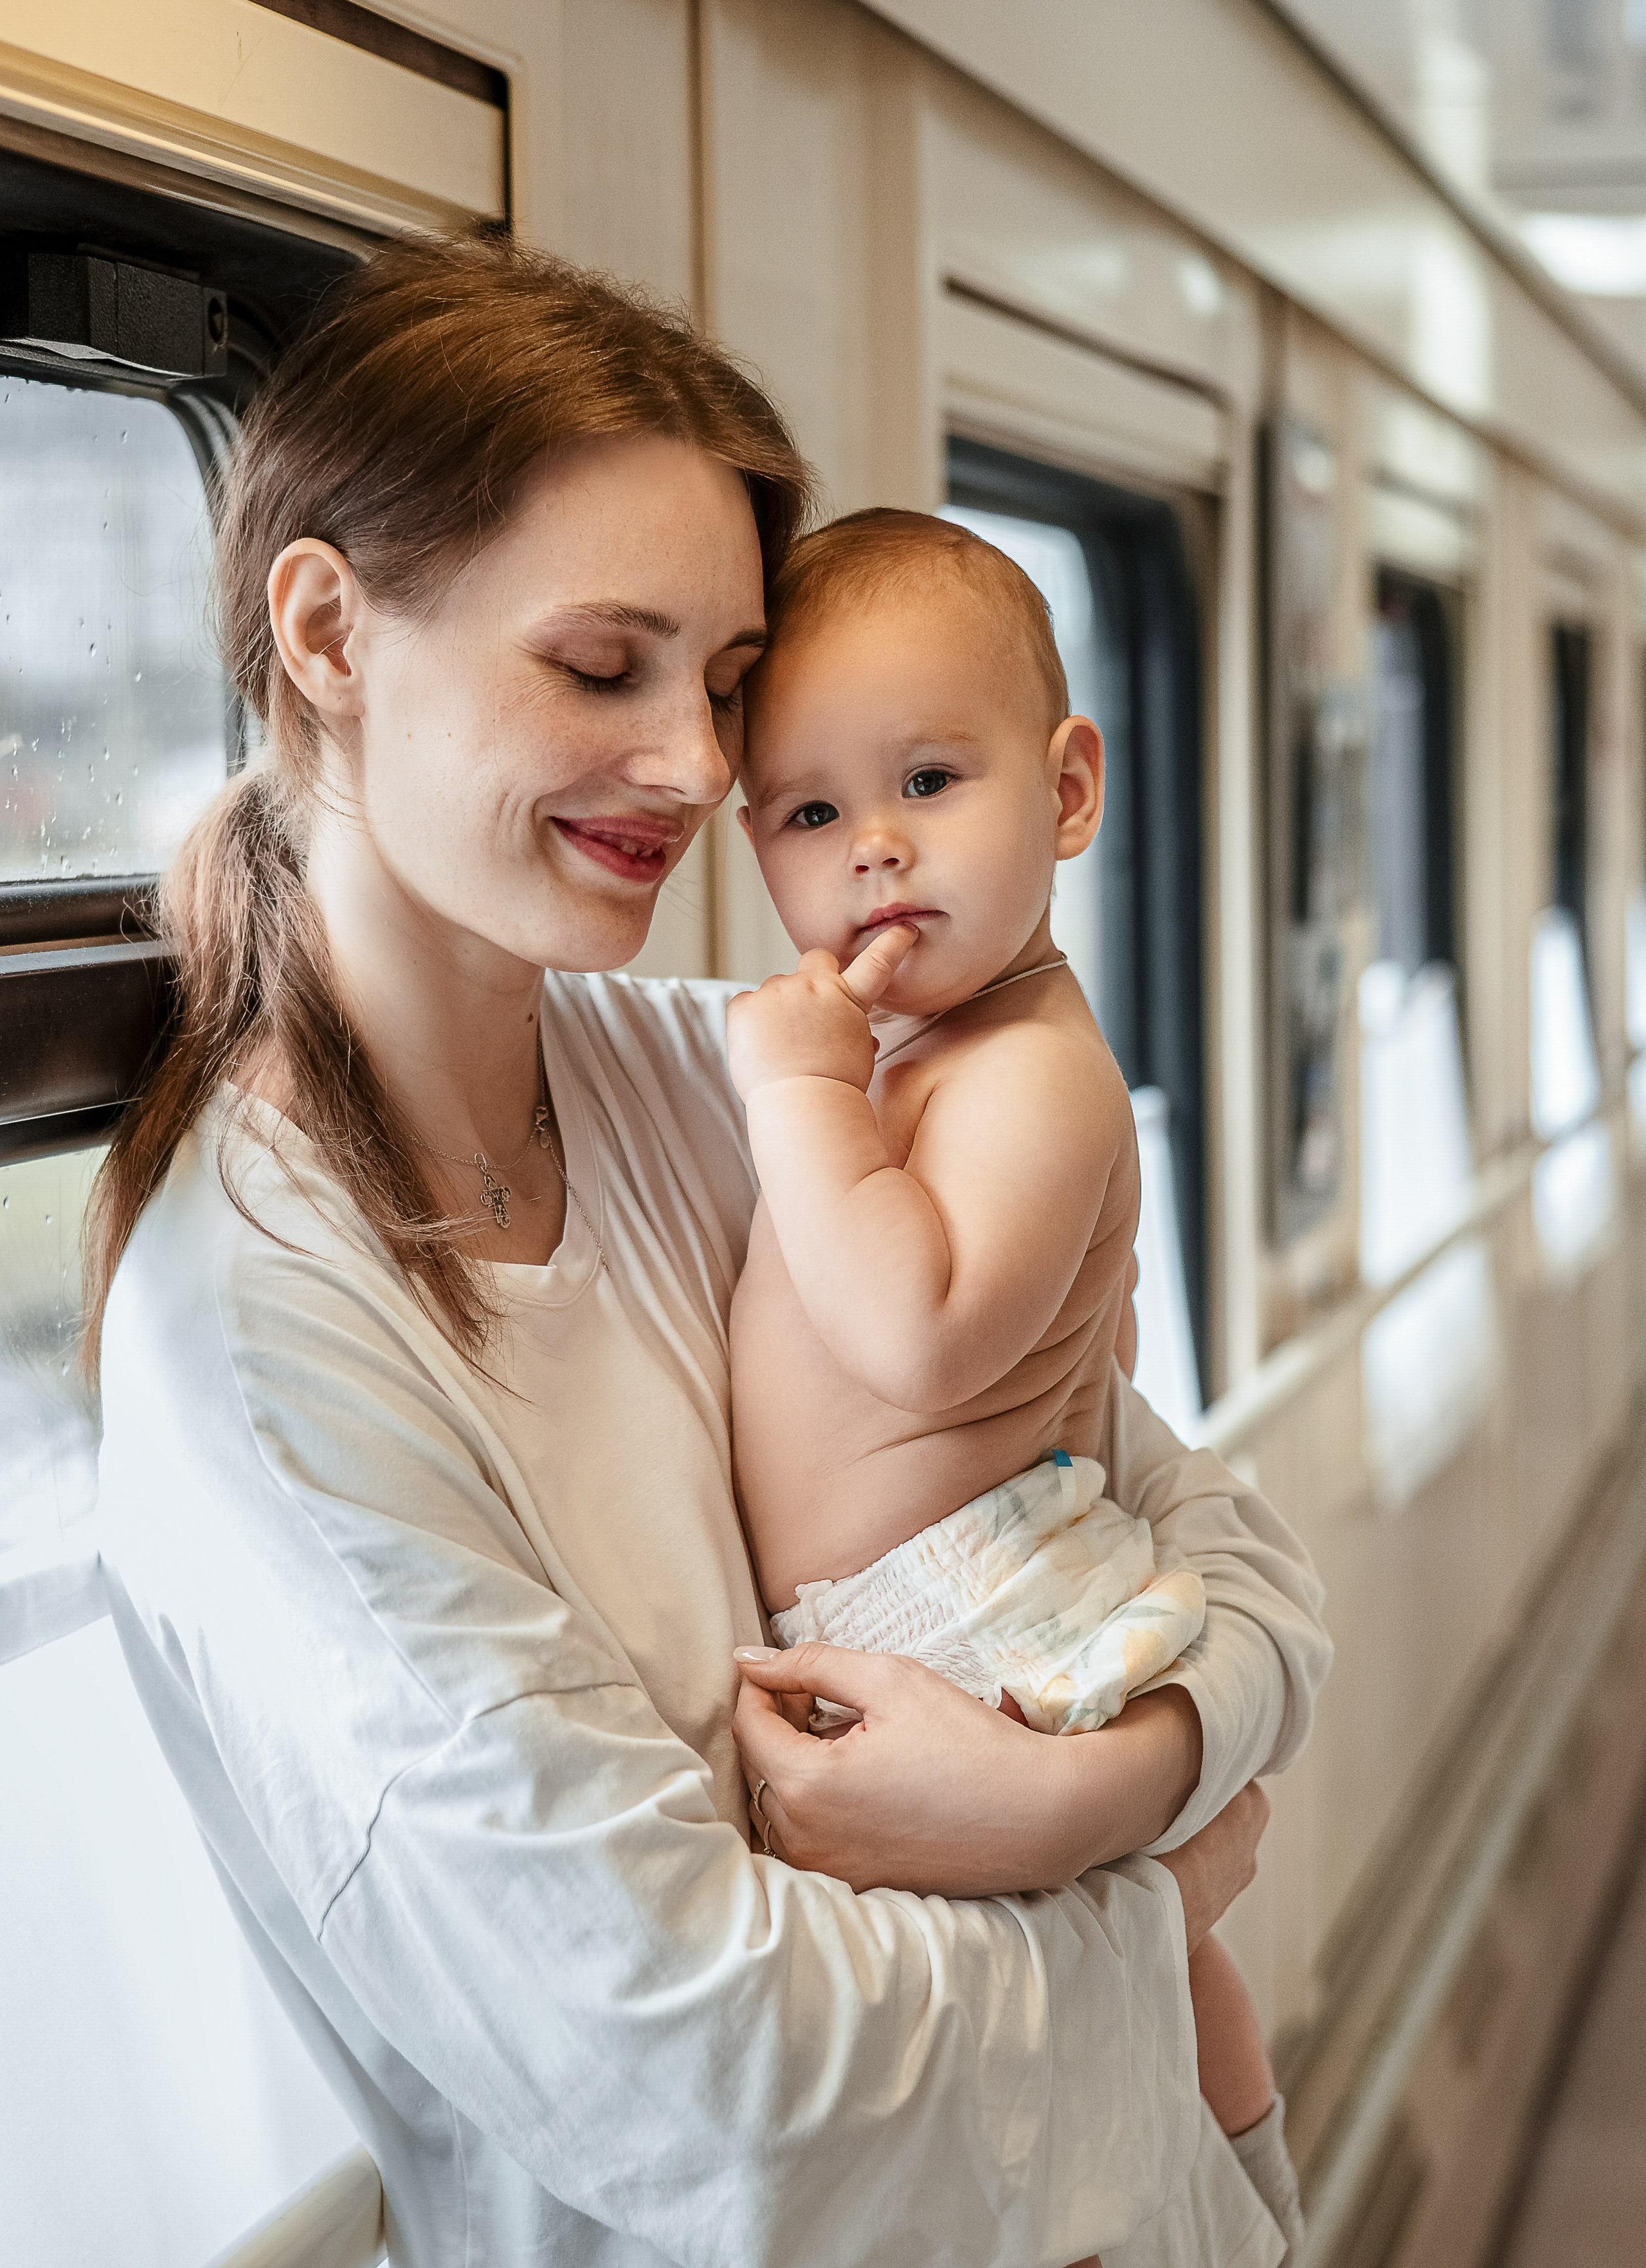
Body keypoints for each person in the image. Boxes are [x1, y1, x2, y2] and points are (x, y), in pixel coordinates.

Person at [87, 233, 1329, 2268]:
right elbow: (729, 2085)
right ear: (324, 629)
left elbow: (1213, 1545)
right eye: (603, 665)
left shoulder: (719, 1082)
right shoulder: (264, 1333)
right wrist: (1162, 1886)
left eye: (727, 685)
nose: (694, 764)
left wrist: (1078, 1804)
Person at [727, 509, 1303, 2260]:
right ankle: (1242, 2194)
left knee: (1077, 2058)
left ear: (1066, 792)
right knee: (1130, 1992)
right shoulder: (913, 1055)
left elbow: (924, 1331)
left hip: (973, 1613)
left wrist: (802, 1096)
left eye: (928, 778)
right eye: (813, 812)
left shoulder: (1034, 1074)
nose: (875, 850)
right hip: (922, 1597)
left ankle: (1234, 2206)